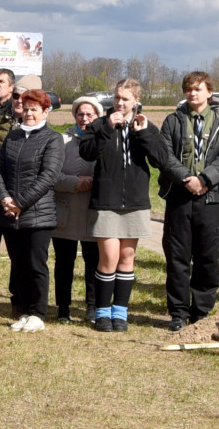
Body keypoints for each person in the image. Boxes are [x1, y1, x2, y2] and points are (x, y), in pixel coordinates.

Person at [78, 81, 164, 332]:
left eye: (125, 99)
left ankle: (120, 312)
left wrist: (144, 134)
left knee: (127, 257)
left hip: (135, 201)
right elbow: (87, 153)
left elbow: (159, 160)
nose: (119, 103)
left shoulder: (146, 126)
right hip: (106, 201)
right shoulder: (99, 125)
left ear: (136, 100)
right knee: (109, 257)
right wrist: (107, 128)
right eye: (117, 97)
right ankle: (102, 311)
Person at [159, 71, 219, 331]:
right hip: (179, 197)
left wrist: (204, 179)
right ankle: (178, 313)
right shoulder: (173, 121)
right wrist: (186, 179)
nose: (193, 93)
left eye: (198, 89)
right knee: (177, 257)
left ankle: (201, 312)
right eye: (189, 89)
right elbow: (165, 156)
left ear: (209, 92)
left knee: (208, 257)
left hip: (211, 197)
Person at [0, 89, 64, 333]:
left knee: (36, 265)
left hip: (38, 215)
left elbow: (48, 176)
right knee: (18, 265)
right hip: (11, 214)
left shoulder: (53, 139)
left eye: (35, 109)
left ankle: (38, 313)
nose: (30, 113)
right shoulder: (12, 137)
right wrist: (4, 198)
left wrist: (20, 203)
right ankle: (23, 310)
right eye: (26, 108)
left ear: (45, 112)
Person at [52, 96, 102, 324]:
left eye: (90, 114)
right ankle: (63, 308)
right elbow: (51, 174)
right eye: (80, 114)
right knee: (64, 263)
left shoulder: (105, 141)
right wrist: (75, 183)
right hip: (65, 213)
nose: (85, 118)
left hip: (94, 213)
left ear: (98, 117)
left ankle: (92, 306)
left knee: (94, 262)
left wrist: (94, 183)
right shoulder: (61, 141)